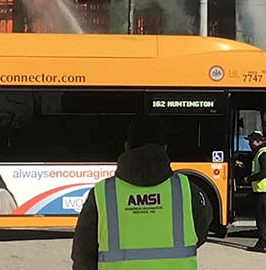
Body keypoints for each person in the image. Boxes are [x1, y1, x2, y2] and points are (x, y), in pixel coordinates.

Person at [72, 116, 211, 270]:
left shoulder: (103, 193)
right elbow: (200, 234)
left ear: (126, 147)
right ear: (165, 148)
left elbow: (83, 252)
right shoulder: (187, 189)